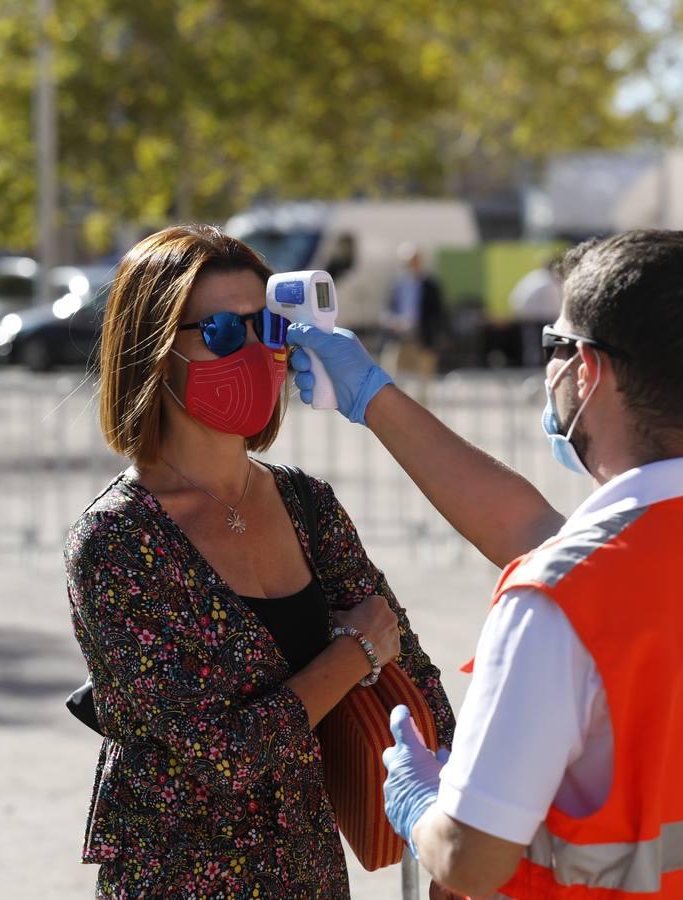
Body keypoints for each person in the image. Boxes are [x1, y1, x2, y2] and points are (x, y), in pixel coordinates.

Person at [290, 231, 683, 898]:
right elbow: (533, 530)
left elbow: (468, 860)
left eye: (554, 347)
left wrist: (420, 802)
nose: (549, 370)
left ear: (586, 370)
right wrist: (373, 397)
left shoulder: (559, 597)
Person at [64, 224, 454, 897]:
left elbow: (415, 679)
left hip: (313, 875)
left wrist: (466, 828)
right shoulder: (115, 541)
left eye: (268, 327)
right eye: (221, 331)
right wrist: (351, 653)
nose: (256, 352)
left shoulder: (306, 503)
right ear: (154, 350)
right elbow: (216, 757)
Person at [381, 243, 446, 381]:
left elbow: (438, 313)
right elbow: (387, 309)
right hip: (399, 337)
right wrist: (394, 321)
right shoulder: (397, 284)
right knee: (393, 376)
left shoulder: (430, 285)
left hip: (423, 338)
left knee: (423, 380)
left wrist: (437, 335)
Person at [508, 256, 563, 367]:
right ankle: (535, 368)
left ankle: (541, 367)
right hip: (537, 320)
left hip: (543, 319)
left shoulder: (538, 278)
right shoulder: (543, 280)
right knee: (536, 347)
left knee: (540, 346)